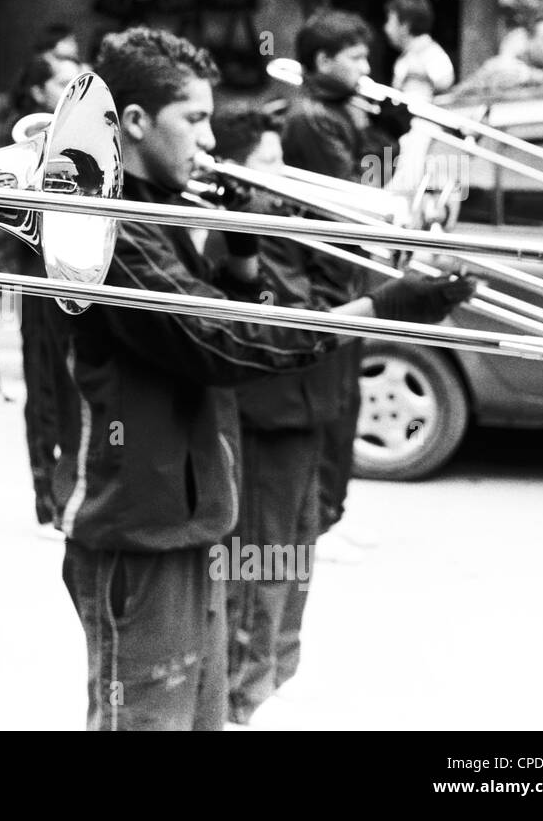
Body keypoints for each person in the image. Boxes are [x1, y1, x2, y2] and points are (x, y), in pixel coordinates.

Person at [58, 26, 473, 731]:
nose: (207, 139)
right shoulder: (113, 230)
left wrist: (241, 260)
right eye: (193, 120)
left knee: (201, 719)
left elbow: (215, 326)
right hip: (140, 530)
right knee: (148, 722)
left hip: (192, 519)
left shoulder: (157, 216)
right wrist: (377, 308)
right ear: (132, 123)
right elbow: (221, 342)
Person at [205, 104, 352, 726]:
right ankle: (243, 689)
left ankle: (277, 670)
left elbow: (331, 292)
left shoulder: (287, 224)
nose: (282, 172)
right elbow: (281, 313)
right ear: (236, 172)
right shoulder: (231, 233)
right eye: (267, 161)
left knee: (297, 548)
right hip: (265, 414)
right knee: (260, 557)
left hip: (307, 407)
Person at [280, 9, 396, 546]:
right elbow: (353, 198)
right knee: (330, 403)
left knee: (343, 401)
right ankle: (320, 518)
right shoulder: (311, 118)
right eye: (355, 58)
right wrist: (380, 140)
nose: (365, 67)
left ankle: (327, 514)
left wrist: (384, 134)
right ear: (323, 61)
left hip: (345, 270)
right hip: (326, 275)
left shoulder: (339, 110)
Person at [10, 53, 83, 529]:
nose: (71, 89)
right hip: (38, 278)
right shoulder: (24, 142)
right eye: (62, 81)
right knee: (45, 384)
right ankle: (45, 489)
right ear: (39, 92)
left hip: (75, 272)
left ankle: (68, 482)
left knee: (74, 386)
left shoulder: (82, 140)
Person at [383, 0, 455, 102]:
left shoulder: (432, 54)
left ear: (405, 26)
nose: (386, 28)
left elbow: (444, 83)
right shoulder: (408, 56)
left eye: (390, 21)